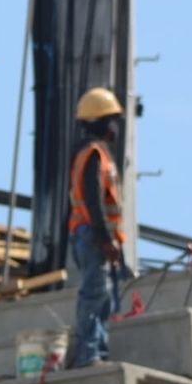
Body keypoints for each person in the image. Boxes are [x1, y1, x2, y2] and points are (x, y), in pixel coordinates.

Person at [67, 88, 132, 368]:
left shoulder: (99, 155)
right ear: (101, 122)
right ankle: (87, 354)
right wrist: (105, 238)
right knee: (94, 294)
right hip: (92, 235)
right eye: (112, 120)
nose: (116, 126)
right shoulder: (93, 154)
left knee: (102, 297)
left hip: (94, 235)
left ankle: (98, 351)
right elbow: (93, 201)